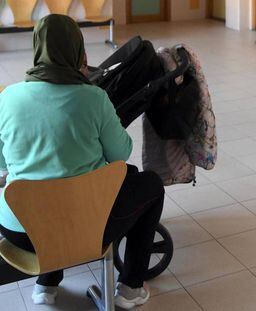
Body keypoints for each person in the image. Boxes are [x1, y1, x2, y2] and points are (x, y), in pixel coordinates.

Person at [0, 14, 164, 310]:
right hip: (86, 227)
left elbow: (1, 160)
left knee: (43, 190)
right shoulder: (93, 98)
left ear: (37, 47)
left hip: (21, 232)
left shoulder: (8, 98)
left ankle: (46, 284)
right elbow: (120, 154)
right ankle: (130, 288)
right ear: (78, 49)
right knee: (150, 184)